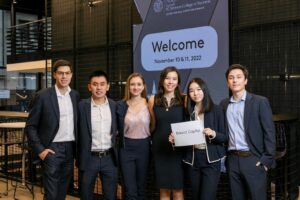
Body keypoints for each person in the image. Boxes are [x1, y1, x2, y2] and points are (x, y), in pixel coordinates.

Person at [26, 59, 80, 200]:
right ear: (55, 75)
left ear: (71, 75)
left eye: (67, 73)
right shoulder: (43, 96)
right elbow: (31, 126)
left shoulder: (75, 95)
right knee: (51, 194)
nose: (64, 76)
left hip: (70, 150)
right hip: (52, 149)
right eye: (61, 73)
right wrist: (41, 151)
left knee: (62, 192)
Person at [220, 64, 276, 200]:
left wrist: (266, 161)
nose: (235, 80)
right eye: (231, 78)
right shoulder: (224, 104)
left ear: (245, 80)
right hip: (232, 160)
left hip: (253, 159)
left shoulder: (260, 102)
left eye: (239, 77)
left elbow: (269, 132)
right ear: (227, 82)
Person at [169, 77, 227, 200]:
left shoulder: (216, 110)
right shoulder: (187, 112)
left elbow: (224, 137)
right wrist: (175, 139)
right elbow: (184, 138)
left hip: (211, 160)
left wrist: (213, 134)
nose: (195, 93)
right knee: (195, 196)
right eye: (191, 91)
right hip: (192, 160)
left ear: (204, 90)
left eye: (198, 89)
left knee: (207, 197)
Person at [78, 70, 118, 200]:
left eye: (102, 84)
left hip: (110, 158)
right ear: (89, 86)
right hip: (89, 158)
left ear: (108, 86)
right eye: (95, 84)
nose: (99, 88)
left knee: (110, 196)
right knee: (86, 195)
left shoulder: (115, 106)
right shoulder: (81, 106)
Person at [148, 66, 185, 200]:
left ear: (178, 82)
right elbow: (152, 125)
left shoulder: (184, 99)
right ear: (162, 80)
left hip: (178, 149)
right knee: (163, 189)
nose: (170, 81)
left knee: (177, 189)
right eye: (167, 78)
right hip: (159, 148)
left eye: (174, 79)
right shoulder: (153, 99)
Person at [116, 73, 151, 200]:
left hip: (144, 147)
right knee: (129, 189)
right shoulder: (120, 105)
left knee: (141, 187)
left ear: (143, 87)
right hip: (126, 148)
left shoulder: (150, 103)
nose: (135, 87)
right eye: (132, 84)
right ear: (128, 87)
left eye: (138, 84)